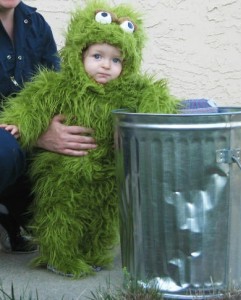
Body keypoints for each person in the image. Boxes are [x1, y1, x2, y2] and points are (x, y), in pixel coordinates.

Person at [0, 0, 179, 277]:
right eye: (97, 56)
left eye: (116, 60)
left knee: (102, 215)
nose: (106, 66)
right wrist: (23, 126)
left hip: (105, 170)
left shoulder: (32, 23)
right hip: (62, 170)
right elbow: (36, 100)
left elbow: (155, 100)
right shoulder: (61, 87)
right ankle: (61, 255)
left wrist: (143, 126)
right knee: (61, 212)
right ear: (79, 55)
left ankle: (93, 251)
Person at [0, 0, 96, 253]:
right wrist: (33, 135)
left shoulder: (35, 23)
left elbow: (55, 87)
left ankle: (12, 213)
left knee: (84, 143)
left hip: (25, 137)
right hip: (8, 145)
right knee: (3, 151)